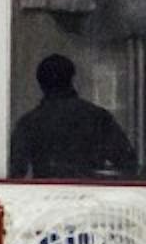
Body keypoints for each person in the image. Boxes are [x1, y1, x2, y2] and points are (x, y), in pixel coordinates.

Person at [11, 53, 139, 179]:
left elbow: (15, 172)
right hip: (91, 196)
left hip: (45, 197)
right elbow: (127, 163)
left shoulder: (29, 123)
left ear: (40, 84)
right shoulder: (98, 118)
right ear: (72, 79)